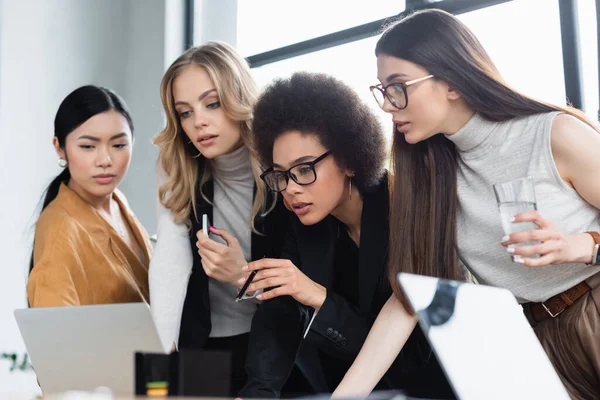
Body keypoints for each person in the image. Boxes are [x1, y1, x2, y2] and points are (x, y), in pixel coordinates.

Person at [333, 9, 600, 400]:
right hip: (539, 342)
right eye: (382, 90)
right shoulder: (428, 176)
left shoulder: (553, 134)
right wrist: (344, 397)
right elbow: (406, 299)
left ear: (452, 81)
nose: (388, 105)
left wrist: (584, 246)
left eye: (398, 86)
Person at [238, 72, 453, 399]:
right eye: (281, 175)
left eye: (305, 169)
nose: (291, 189)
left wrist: (317, 296)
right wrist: (258, 392)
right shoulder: (304, 226)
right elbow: (278, 316)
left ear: (350, 160)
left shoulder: (407, 210)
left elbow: (408, 357)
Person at [149, 41, 296, 396]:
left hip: (278, 346)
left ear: (238, 97)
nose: (198, 121)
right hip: (203, 343)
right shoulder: (175, 166)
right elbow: (169, 263)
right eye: (184, 112)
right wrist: (156, 362)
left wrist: (240, 275)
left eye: (212, 103)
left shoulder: (283, 163)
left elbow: (303, 288)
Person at [28, 85, 151, 307]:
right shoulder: (60, 230)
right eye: (88, 146)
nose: (105, 160)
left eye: (119, 145)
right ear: (60, 148)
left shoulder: (116, 200)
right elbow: (56, 334)